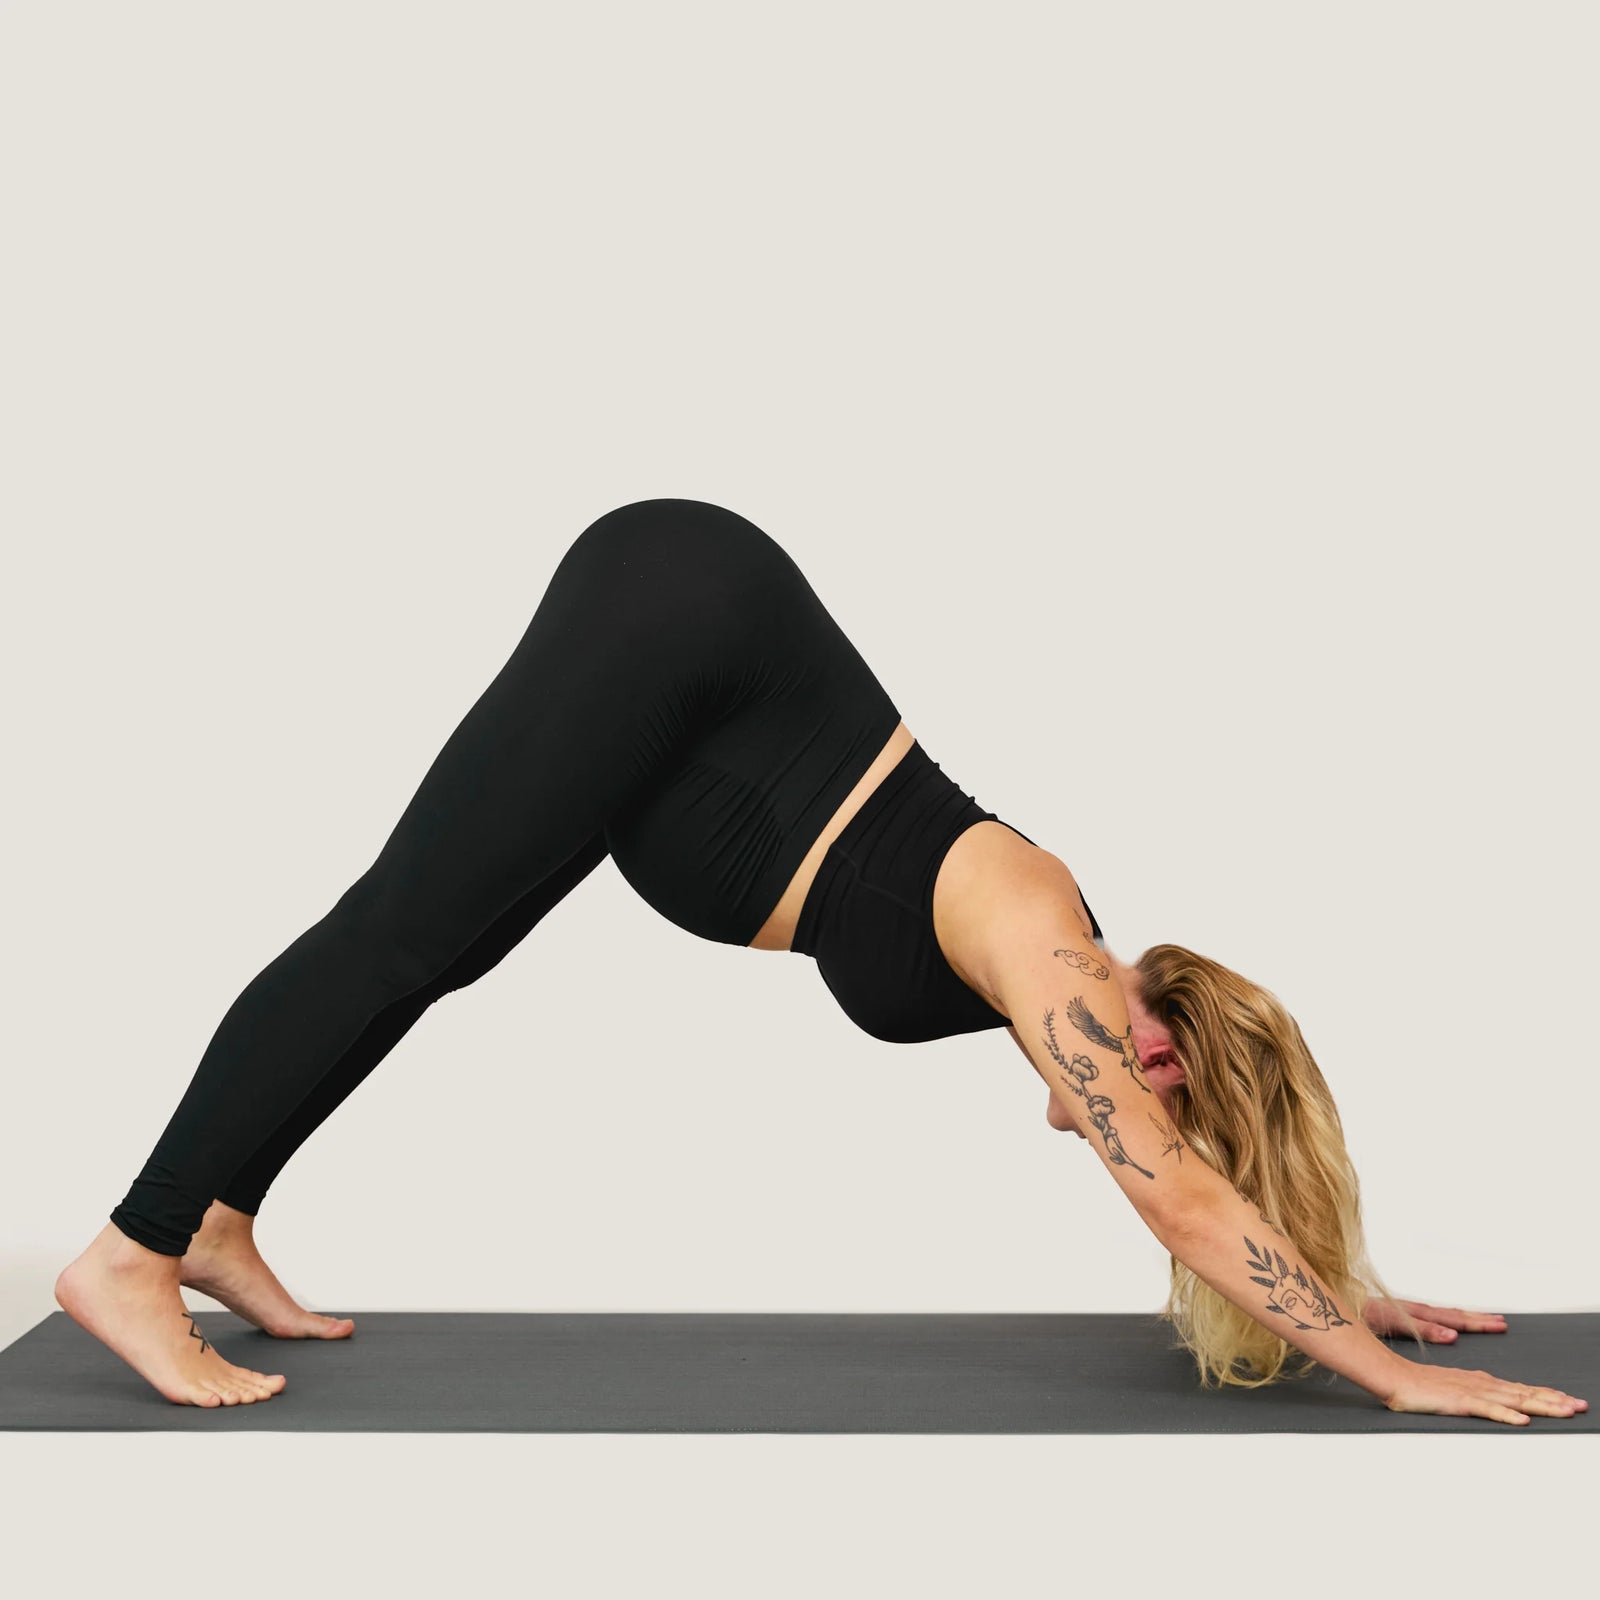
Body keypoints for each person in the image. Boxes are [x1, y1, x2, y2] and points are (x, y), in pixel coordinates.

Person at [55, 498, 1585, 1426]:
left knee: (427, 955)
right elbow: (1172, 1191)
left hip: (699, 711)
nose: (1137, 1103)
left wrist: (1337, 1285)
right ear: (1147, 1010)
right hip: (680, 623)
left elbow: (1188, 1180)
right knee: (394, 928)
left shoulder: (1042, 976)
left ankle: (217, 1218)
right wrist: (1395, 1376)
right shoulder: (1051, 936)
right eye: (1160, 1076)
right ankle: (130, 1251)